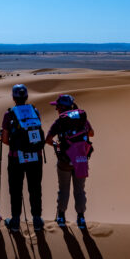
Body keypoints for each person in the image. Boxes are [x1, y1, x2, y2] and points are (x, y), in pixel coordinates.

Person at [44, 94, 94, 229]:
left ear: (61, 107)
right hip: (81, 160)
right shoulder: (82, 117)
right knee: (80, 190)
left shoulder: (59, 121)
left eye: (57, 107)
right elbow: (91, 133)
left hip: (65, 160)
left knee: (63, 189)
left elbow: (48, 139)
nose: (56, 110)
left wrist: (57, 145)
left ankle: (61, 216)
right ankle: (81, 218)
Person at [1, 84, 45, 232]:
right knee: (35, 188)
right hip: (35, 156)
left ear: (13, 97)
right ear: (26, 97)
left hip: (15, 157)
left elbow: (5, 140)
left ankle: (15, 221)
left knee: (15, 189)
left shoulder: (9, 114)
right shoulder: (35, 111)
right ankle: (37, 220)